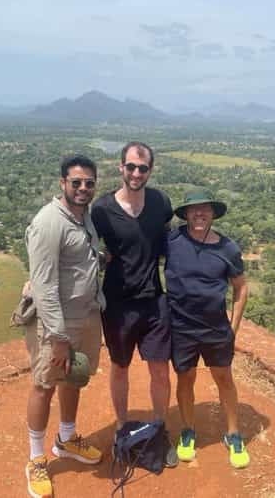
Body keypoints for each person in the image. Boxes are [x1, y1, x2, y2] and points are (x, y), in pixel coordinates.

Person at [90, 141, 178, 467]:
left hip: (154, 301)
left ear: (150, 171)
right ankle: (121, 427)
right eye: (131, 167)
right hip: (117, 304)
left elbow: (168, 240)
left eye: (142, 168)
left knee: (159, 369)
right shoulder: (101, 210)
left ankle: (159, 428)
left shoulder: (160, 202)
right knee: (120, 367)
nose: (136, 173)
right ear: (120, 168)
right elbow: (83, 244)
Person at [24, 154, 106, 498]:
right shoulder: (49, 222)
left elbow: (80, 259)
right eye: (76, 182)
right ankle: (36, 459)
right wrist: (57, 337)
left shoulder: (83, 217)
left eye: (89, 182)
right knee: (45, 385)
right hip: (58, 323)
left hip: (86, 314)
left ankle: (67, 438)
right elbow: (43, 285)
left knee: (75, 377)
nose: (83, 188)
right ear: (63, 183)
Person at [164, 190, 250, 469]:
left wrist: (233, 328)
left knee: (224, 378)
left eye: (205, 210)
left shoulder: (227, 249)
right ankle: (188, 431)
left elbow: (241, 288)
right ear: (186, 214)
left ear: (213, 214)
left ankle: (233, 434)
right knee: (185, 379)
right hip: (181, 327)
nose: (199, 214)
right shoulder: (172, 240)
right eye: (194, 210)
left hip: (215, 328)